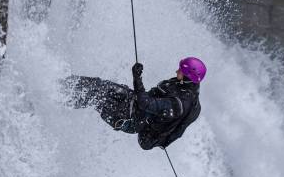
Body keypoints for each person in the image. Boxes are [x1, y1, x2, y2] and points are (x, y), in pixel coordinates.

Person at [62, 57, 206, 150]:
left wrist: (137, 77)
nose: (177, 71)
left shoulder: (178, 104)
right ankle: (59, 83)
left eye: (181, 70)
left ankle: (55, 98)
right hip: (134, 103)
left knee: (95, 96)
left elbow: (145, 104)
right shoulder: (184, 85)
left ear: (188, 77)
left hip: (131, 119)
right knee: (99, 85)